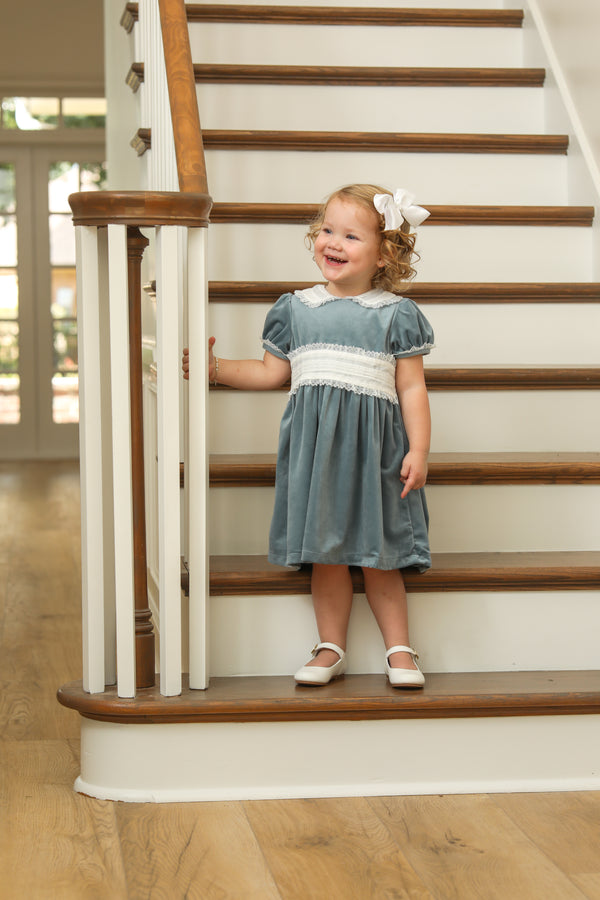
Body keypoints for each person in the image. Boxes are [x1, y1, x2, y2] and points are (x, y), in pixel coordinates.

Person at [183, 184, 434, 688]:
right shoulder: (295, 308)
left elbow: (412, 388)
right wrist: (214, 368)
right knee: (326, 554)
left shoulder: (394, 314)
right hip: (316, 456)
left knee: (381, 555)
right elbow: (269, 373)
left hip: (376, 458)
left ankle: (400, 650)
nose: (332, 243)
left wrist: (420, 449)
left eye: (350, 235)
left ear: (384, 253)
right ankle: (330, 645)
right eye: (326, 231)